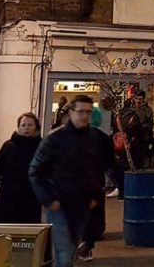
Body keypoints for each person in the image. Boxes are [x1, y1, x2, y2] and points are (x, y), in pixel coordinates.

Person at [29, 94, 106, 267]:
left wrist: (94, 196)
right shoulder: (55, 138)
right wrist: (48, 200)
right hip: (59, 204)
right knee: (63, 255)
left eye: (88, 112)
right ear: (70, 112)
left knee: (71, 252)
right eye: (80, 112)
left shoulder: (93, 138)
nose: (85, 116)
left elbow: (95, 170)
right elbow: (35, 171)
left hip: (82, 205)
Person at [0, 112, 43, 224]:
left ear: (36, 127)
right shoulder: (9, 146)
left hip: (31, 197)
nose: (26, 128)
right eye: (23, 125)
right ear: (18, 127)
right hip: (8, 195)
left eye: (30, 125)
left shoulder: (42, 147)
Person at [79, 111, 115, 262]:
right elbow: (109, 160)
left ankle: (81, 244)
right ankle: (88, 243)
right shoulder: (103, 137)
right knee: (93, 212)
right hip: (95, 180)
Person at [113, 100, 149, 199]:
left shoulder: (117, 116)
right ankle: (129, 192)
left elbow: (114, 128)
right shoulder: (134, 117)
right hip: (131, 148)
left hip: (118, 148)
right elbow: (139, 133)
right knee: (129, 170)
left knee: (119, 170)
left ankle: (121, 193)